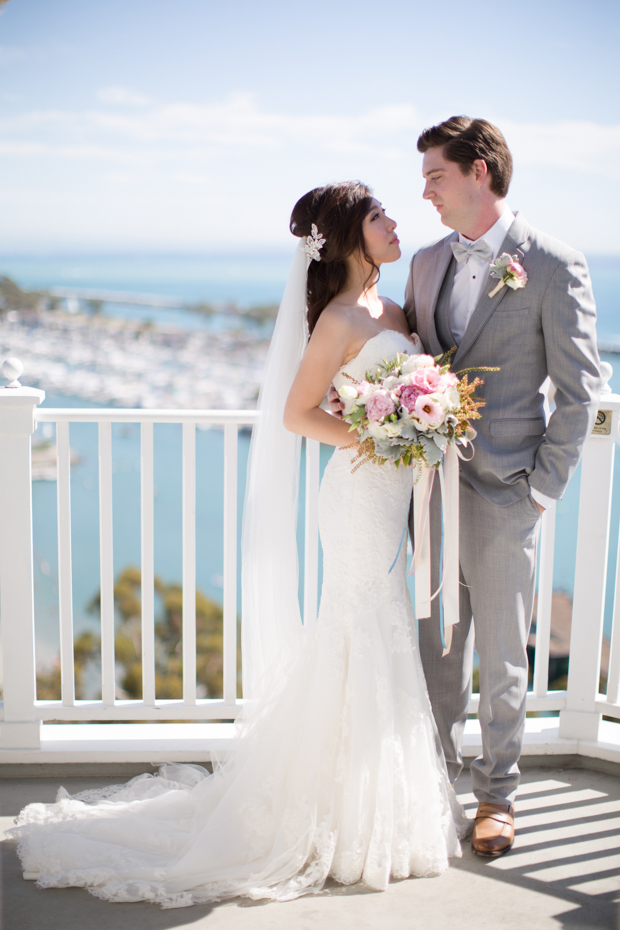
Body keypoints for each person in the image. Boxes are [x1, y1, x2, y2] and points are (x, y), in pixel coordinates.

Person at [9, 182, 467, 908]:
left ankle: (374, 807)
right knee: (357, 631)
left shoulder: (396, 309)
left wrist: (415, 426)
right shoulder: (338, 320)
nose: (393, 224)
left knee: (385, 631)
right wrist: (380, 436)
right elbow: (296, 414)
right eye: (380, 216)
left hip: (391, 504)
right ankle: (335, 820)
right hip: (354, 497)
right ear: (349, 236)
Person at [337, 117, 600, 857]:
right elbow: (406, 363)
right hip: (429, 491)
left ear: (479, 171)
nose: (423, 192)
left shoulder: (552, 263)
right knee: (435, 649)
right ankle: (432, 784)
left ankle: (497, 797)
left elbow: (582, 392)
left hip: (508, 491)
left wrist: (541, 491)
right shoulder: (423, 265)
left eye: (435, 176)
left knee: (503, 657)